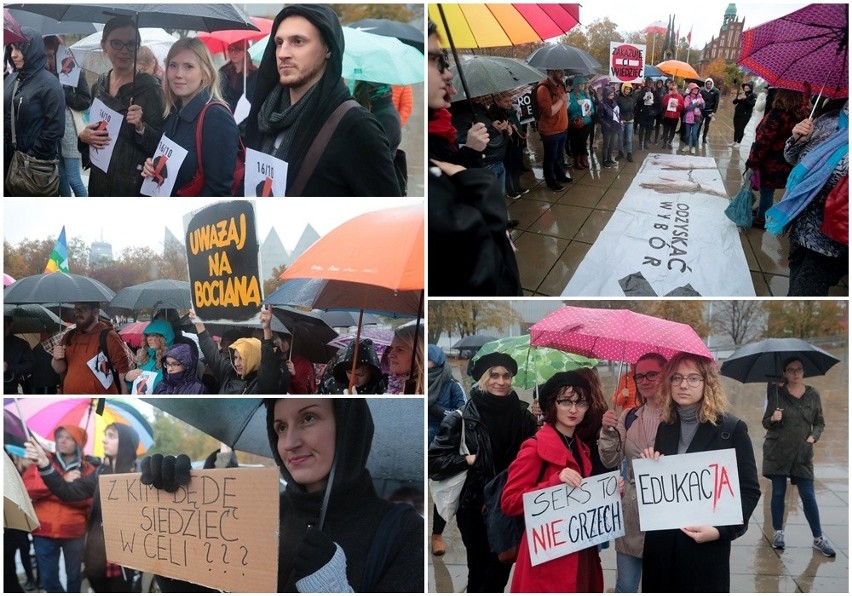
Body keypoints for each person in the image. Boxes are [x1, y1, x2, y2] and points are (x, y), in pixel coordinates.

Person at [150, 398, 424, 591]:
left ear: (348, 428)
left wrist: (331, 588)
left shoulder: (405, 533)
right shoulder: (264, 515)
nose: (289, 443)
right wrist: (178, 559)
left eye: (308, 418)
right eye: (280, 427)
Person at [245, 4, 400, 196]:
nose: (283, 53)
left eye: (298, 41)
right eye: (278, 42)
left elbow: (386, 213)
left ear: (328, 48)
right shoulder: (266, 113)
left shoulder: (357, 127)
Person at [640, 352, 761, 592]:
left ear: (707, 383)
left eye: (693, 378)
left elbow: (749, 491)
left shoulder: (731, 429)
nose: (684, 384)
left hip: (703, 553)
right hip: (661, 551)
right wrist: (653, 464)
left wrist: (719, 532)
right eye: (676, 378)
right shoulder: (667, 425)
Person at [428, 353, 538, 592]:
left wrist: (542, 424)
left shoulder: (524, 418)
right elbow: (433, 461)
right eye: (494, 375)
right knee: (478, 570)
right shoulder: (462, 418)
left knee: (500, 571)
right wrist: (467, 459)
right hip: (474, 508)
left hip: (510, 506)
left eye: (506, 376)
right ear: (483, 379)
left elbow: (535, 459)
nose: (501, 381)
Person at [427, 24, 520, 296]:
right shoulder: (433, 159)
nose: (449, 81)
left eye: (445, 62)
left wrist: (469, 153)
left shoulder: (443, 130)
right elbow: (480, 272)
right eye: (435, 60)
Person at [502, 371, 605, 592]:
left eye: (581, 402)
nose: (574, 409)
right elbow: (510, 501)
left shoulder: (581, 447)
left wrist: (609, 494)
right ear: (552, 404)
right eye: (565, 401)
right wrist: (554, 483)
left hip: (580, 551)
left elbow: (580, 495)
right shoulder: (534, 447)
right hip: (547, 558)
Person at [24, 422, 141, 592]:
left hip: (124, 559)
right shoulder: (100, 472)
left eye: (111, 436)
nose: (104, 440)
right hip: (97, 557)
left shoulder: (139, 473)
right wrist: (44, 464)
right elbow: (68, 492)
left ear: (126, 442)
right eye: (105, 435)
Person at [598, 353, 668, 592]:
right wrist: (607, 431)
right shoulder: (628, 416)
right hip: (632, 516)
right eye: (640, 376)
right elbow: (610, 460)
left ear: (665, 375)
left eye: (652, 374)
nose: (645, 380)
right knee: (625, 586)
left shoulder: (679, 417)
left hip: (665, 516)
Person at [140, 38, 240, 196]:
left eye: (188, 67)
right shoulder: (173, 111)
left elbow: (218, 191)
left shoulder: (216, 118)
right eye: (173, 65)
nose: (178, 74)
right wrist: (153, 166)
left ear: (205, 74)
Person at [78, 16, 165, 196]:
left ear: (138, 48)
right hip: (99, 180)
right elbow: (95, 127)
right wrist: (84, 136)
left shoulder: (151, 89)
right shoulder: (100, 85)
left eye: (131, 44)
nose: (124, 50)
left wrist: (141, 127)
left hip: (130, 187)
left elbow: (160, 145)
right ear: (104, 46)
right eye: (117, 43)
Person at [768, 101, 848, 295]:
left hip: (831, 238)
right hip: (800, 224)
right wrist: (797, 139)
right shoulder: (829, 118)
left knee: (803, 294)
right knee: (795, 283)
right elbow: (793, 158)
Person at [762, 358, 835, 556]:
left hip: (802, 453)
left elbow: (819, 422)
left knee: (809, 496)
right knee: (778, 493)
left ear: (804, 372)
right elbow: (765, 422)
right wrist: (773, 419)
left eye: (799, 370)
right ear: (784, 373)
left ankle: (818, 538)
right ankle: (778, 533)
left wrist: (813, 437)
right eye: (791, 370)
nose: (796, 373)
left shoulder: (813, 394)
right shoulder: (777, 393)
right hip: (778, 451)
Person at [23, 425, 96, 593]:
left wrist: (59, 490)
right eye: (60, 436)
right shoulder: (42, 462)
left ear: (78, 443)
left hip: (74, 532)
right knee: (49, 581)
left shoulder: (89, 470)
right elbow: (28, 488)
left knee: (74, 577)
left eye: (68, 438)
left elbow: (88, 501)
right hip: (44, 531)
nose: (62, 440)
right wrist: (62, 481)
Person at [3, 27, 65, 195]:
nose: (14, 54)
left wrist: (30, 156)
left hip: (32, 169)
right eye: (11, 48)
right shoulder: (10, 79)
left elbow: (55, 129)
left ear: (33, 49)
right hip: (7, 163)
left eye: (19, 48)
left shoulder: (50, 84)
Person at [744, 89, 807, 228]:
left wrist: (752, 161)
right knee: (769, 190)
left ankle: (762, 218)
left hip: (771, 161)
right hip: (787, 161)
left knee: (766, 190)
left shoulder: (777, 114)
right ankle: (762, 209)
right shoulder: (802, 116)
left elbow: (763, 140)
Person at [427, 344, 467, 556]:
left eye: (428, 358)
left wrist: (437, 410)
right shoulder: (417, 381)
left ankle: (437, 535)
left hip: (442, 445)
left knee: (442, 491)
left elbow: (463, 411)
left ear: (437, 360)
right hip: (419, 441)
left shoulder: (451, 385)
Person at [43, 35, 92, 197]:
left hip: (71, 131)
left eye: (50, 56)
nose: (47, 61)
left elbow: (85, 101)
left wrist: (61, 90)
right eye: (44, 56)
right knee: (61, 177)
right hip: (53, 132)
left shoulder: (72, 69)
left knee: (73, 178)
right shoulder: (42, 74)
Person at [51, 302, 130, 394]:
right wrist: (56, 358)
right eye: (76, 309)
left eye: (83, 309)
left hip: (101, 402)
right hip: (73, 401)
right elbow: (59, 369)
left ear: (96, 312)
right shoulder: (69, 336)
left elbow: (123, 371)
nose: (78, 313)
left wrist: (124, 399)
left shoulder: (109, 336)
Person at [190, 310, 261, 394]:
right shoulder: (229, 371)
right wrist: (198, 324)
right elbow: (210, 352)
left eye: (242, 358)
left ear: (254, 358)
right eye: (235, 357)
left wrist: (267, 330)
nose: (237, 363)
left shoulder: (262, 383)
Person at [536, 69, 571, 191]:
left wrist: (565, 101)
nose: (562, 74)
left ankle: (560, 175)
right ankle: (550, 181)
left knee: (559, 155)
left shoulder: (560, 85)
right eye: (559, 71)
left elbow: (563, 107)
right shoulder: (543, 89)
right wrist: (562, 100)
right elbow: (549, 112)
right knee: (550, 158)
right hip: (550, 131)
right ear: (551, 72)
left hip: (562, 129)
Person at [321, 338, 386, 394]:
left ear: (372, 371)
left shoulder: (381, 387)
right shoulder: (330, 386)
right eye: (349, 372)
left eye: (360, 374)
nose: (353, 379)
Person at [123, 319, 173, 393]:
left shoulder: (173, 361)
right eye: (148, 335)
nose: (149, 339)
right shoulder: (145, 356)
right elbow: (135, 386)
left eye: (154, 335)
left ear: (164, 338)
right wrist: (128, 378)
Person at [218, 40, 257, 114]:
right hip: (225, 113)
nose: (233, 53)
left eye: (237, 50)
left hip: (246, 116)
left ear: (245, 51)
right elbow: (219, 95)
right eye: (230, 50)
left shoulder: (255, 73)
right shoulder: (223, 71)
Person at [386, 323, 424, 395]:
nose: (390, 355)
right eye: (391, 348)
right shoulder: (390, 381)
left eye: (400, 350)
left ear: (419, 355)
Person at [567, 75, 594, 170]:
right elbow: (569, 109)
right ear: (576, 85)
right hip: (576, 122)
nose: (582, 86)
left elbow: (592, 107)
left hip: (586, 122)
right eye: (581, 84)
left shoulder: (586, 94)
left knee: (583, 141)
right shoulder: (571, 95)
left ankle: (583, 158)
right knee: (575, 142)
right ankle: (577, 160)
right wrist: (577, 103)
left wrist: (591, 112)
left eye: (584, 84)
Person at [4, 317, 35, 393]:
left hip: (9, 390)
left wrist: (9, 367)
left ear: (10, 324)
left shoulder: (21, 344)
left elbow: (30, 366)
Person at [598, 85, 622, 168]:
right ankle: (604, 160)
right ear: (606, 95)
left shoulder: (614, 102)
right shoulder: (602, 104)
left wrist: (619, 120)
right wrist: (607, 125)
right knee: (606, 144)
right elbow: (600, 118)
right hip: (607, 128)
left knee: (612, 144)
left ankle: (609, 158)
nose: (612, 96)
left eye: (613, 94)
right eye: (610, 95)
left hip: (615, 126)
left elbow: (617, 112)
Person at [729, 81, 757, 148]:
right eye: (745, 87)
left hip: (745, 115)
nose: (746, 88)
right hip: (737, 114)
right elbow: (734, 102)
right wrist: (738, 99)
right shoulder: (742, 93)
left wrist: (745, 99)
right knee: (736, 128)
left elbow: (751, 105)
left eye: (747, 87)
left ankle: (739, 142)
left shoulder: (753, 95)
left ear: (750, 88)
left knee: (741, 128)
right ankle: (734, 141)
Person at [680, 82, 705, 154]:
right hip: (688, 118)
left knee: (694, 135)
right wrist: (694, 104)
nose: (696, 90)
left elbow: (703, 107)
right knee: (687, 134)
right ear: (691, 89)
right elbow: (687, 108)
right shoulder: (687, 98)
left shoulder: (700, 97)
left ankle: (693, 146)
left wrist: (700, 104)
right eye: (694, 89)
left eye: (697, 89)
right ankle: (687, 146)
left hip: (697, 118)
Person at [616, 82, 637, 162]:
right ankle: (621, 153)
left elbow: (640, 94)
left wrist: (642, 85)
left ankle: (629, 154)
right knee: (620, 138)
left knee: (629, 138)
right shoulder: (618, 98)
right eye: (626, 89)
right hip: (621, 121)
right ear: (623, 89)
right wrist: (620, 119)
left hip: (630, 120)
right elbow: (616, 109)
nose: (627, 91)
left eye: (629, 89)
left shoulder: (632, 97)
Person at [660, 79, 684, 149]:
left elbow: (682, 108)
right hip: (667, 116)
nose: (673, 90)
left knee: (672, 131)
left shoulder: (680, 97)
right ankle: (664, 142)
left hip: (675, 117)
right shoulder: (667, 95)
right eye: (672, 88)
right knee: (666, 130)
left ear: (676, 88)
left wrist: (677, 105)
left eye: (674, 88)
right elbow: (663, 104)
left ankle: (670, 142)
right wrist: (668, 96)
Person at [635, 78, 657, 151]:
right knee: (642, 128)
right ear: (646, 83)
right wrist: (644, 98)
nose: (650, 84)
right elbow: (638, 101)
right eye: (649, 82)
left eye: (651, 82)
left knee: (649, 128)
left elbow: (658, 100)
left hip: (651, 112)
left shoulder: (654, 91)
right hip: (643, 112)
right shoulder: (642, 90)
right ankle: (640, 143)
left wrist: (655, 93)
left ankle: (646, 142)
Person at [699, 77, 720, 143]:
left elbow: (717, 102)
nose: (709, 85)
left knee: (706, 124)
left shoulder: (715, 91)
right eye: (707, 84)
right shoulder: (702, 90)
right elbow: (699, 99)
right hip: (702, 110)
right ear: (705, 84)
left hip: (710, 111)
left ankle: (704, 138)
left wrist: (714, 112)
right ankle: (697, 136)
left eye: (710, 84)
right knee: (700, 123)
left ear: (712, 84)